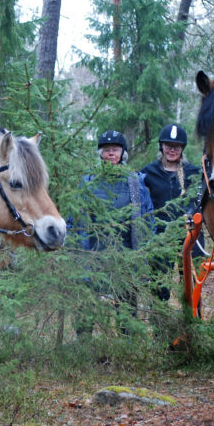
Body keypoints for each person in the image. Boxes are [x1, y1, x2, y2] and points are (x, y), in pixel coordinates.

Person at [72, 130, 155, 335]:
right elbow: (75, 221)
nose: (111, 154)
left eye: (115, 150)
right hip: (94, 253)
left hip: (126, 253)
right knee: (86, 298)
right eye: (106, 150)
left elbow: (148, 217)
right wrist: (82, 258)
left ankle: (127, 340)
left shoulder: (136, 182)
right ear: (100, 154)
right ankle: (84, 341)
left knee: (127, 298)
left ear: (123, 153)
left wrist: (142, 252)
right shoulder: (88, 181)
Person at [139, 123, 202, 300]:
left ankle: (192, 321)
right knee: (160, 287)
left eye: (176, 146)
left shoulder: (194, 173)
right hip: (161, 237)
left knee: (192, 286)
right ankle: (161, 327)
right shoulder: (148, 172)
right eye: (168, 146)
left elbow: (202, 202)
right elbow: (139, 201)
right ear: (162, 146)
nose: (172, 150)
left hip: (190, 235)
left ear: (182, 148)